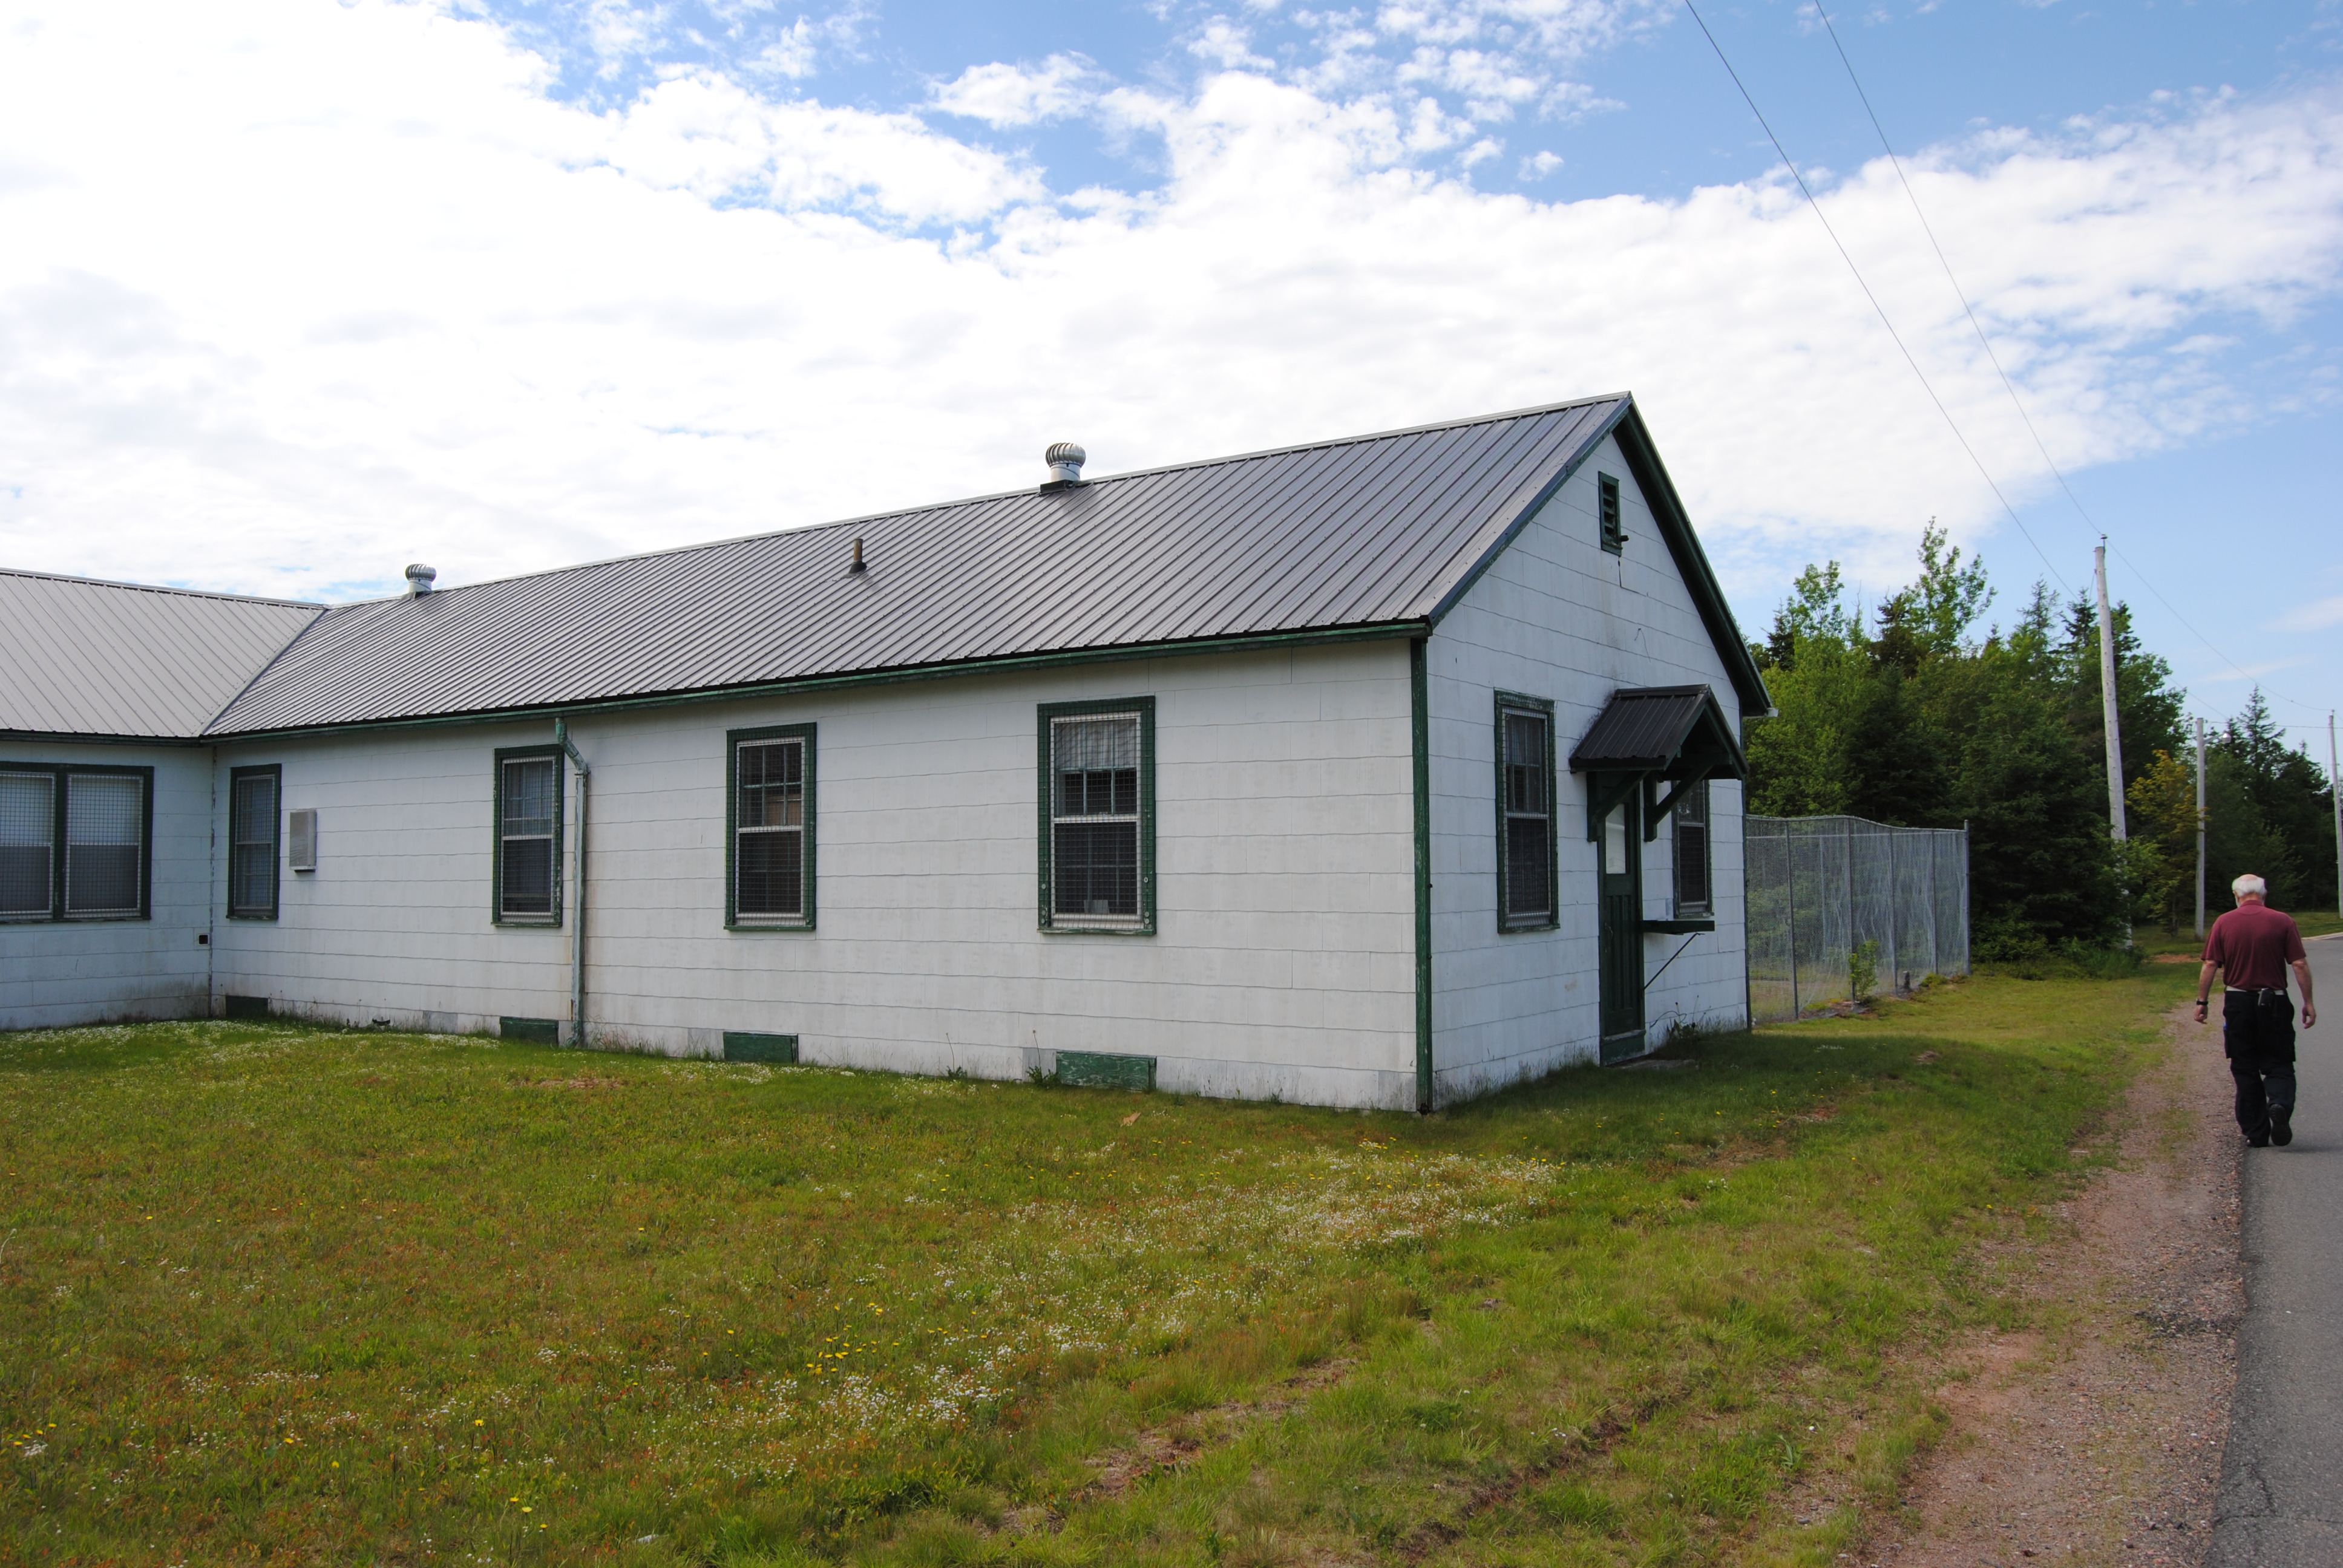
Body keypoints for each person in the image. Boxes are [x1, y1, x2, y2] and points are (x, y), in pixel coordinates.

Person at [2197, 874, 2318, 1147]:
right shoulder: (2283, 921)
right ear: (2264, 894)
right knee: (2279, 1062)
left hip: (2238, 1002)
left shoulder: (2224, 922)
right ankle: (2280, 1104)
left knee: (2245, 1066)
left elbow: (2210, 964)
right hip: (2274, 1001)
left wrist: (2202, 1002)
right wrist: (2308, 1002)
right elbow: (2299, 964)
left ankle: (2257, 1132)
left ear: (2236, 895)